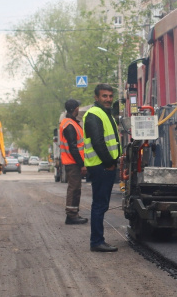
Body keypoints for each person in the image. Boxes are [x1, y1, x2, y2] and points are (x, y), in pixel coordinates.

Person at [83, 83, 121, 252]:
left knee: (101, 204)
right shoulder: (93, 114)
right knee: (99, 205)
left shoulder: (106, 114)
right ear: (96, 97)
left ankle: (97, 240)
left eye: (110, 96)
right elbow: (98, 142)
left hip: (104, 165)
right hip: (101, 166)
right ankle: (97, 241)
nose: (108, 99)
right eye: (104, 96)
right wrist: (109, 163)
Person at [60, 98, 88, 225]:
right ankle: (71, 216)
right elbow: (73, 147)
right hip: (73, 163)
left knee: (76, 188)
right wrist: (81, 164)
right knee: (74, 188)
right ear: (75, 109)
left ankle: (73, 214)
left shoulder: (71, 123)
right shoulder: (69, 125)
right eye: (77, 107)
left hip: (72, 162)